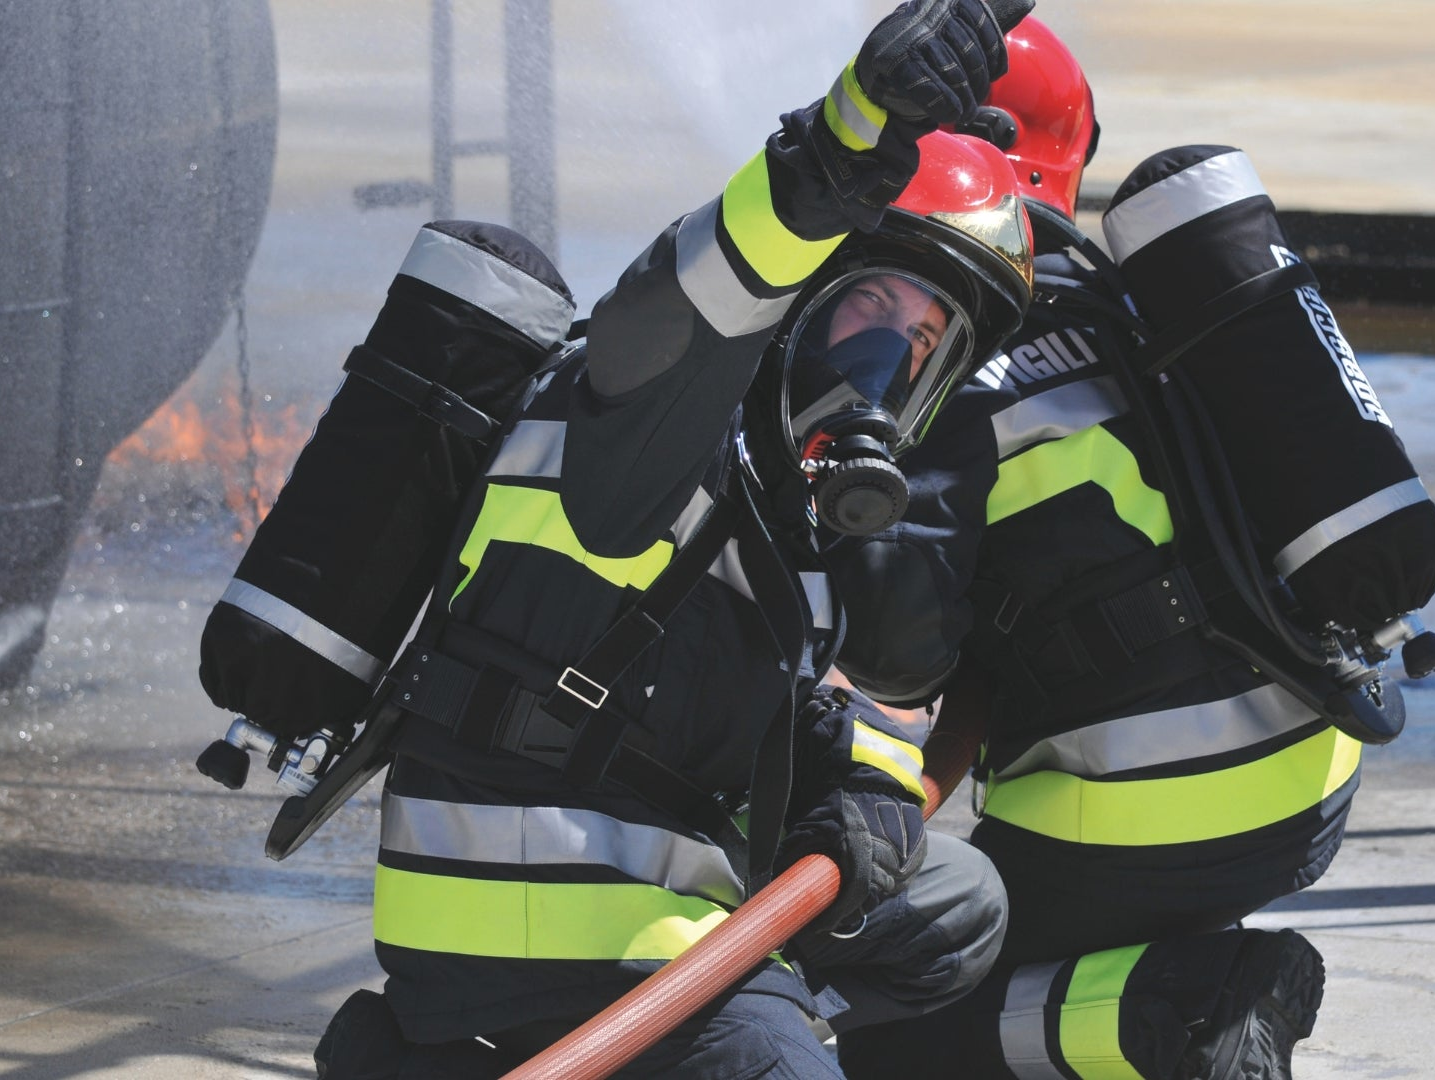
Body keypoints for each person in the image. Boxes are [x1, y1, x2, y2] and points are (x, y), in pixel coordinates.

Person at [305, 2, 1039, 1076]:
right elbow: (696, 293)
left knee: (955, 904)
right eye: (872, 310)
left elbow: (790, 697)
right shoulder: (654, 410)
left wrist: (867, 783)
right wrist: (846, 140)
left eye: (923, 348)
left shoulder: (790, 493)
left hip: (652, 906)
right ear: (800, 295)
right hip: (542, 921)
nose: (884, 371)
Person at [825, 16, 1435, 1080]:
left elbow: (895, 635)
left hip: (1136, 824)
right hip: (1314, 774)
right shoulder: (1138, 299)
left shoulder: (942, 356)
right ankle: (1159, 973)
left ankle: (1180, 1014)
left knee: (874, 1027)